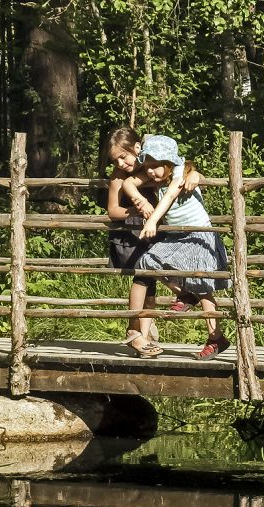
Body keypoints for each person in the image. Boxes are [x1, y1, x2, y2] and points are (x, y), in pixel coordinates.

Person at [122, 135, 232, 361]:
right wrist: (139, 200)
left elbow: (172, 193)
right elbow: (128, 183)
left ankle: (215, 337)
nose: (150, 172)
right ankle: (185, 293)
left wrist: (152, 221)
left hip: (200, 235)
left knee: (202, 285)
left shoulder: (180, 171)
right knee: (148, 262)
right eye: (147, 166)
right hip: (176, 236)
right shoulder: (156, 174)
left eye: (155, 166)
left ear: (168, 163)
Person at [104, 127, 201, 358]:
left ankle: (142, 335)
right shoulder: (119, 178)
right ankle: (135, 333)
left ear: (137, 148)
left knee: (150, 284)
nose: (120, 163)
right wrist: (135, 208)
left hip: (152, 233)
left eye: (123, 157)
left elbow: (180, 169)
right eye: (115, 160)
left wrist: (195, 174)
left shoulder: (152, 166)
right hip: (132, 234)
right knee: (144, 277)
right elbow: (112, 211)